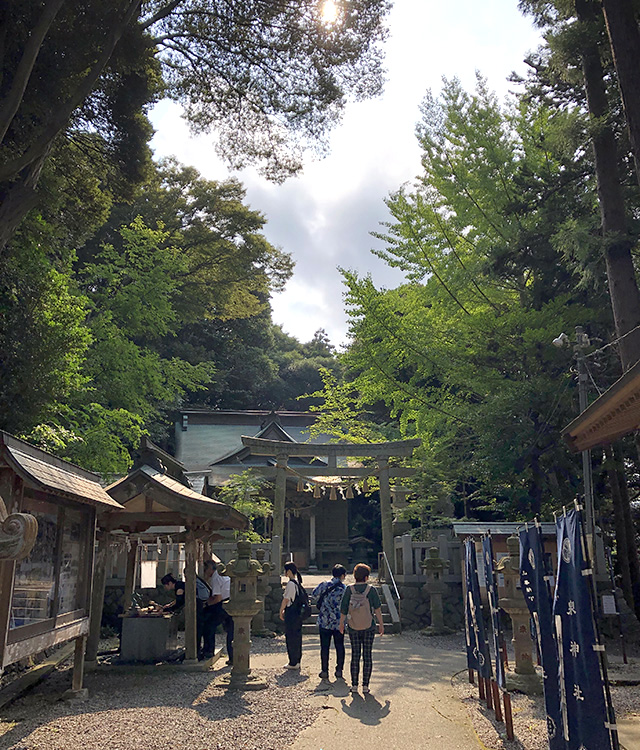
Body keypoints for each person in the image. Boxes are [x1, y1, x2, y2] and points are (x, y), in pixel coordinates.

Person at [339, 563, 384, 694]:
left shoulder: (349, 589)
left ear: (355, 576)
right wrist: (381, 624)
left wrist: (341, 623)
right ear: (366, 577)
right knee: (367, 655)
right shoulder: (371, 590)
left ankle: (354, 685)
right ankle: (365, 685)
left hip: (353, 626)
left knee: (355, 655)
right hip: (369, 626)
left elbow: (343, 608)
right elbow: (377, 609)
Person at [313, 564, 347, 679]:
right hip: (339, 622)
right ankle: (339, 670)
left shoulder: (324, 585)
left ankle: (324, 670)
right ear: (342, 575)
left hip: (324, 620)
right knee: (339, 646)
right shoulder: (344, 588)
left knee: (324, 647)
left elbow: (314, 594)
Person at [203, 559, 234, 664]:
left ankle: (208, 650)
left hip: (223, 604)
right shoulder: (223, 575)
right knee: (231, 631)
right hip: (231, 601)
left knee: (209, 625)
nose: (204, 572)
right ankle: (233, 657)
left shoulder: (216, 578)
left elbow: (217, 598)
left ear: (210, 569)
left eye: (205, 569)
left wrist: (206, 604)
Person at [279, 561, 304, 670]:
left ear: (288, 571)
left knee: (291, 637)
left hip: (291, 614)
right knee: (297, 638)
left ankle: (293, 662)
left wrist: (281, 610)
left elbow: (286, 599)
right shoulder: (297, 583)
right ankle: (297, 660)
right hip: (297, 615)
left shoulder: (290, 584)